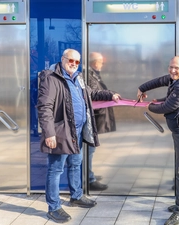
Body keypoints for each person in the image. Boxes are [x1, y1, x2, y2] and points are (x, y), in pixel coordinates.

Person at [37, 49, 121, 223]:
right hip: (61, 132)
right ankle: (54, 207)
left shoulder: (78, 78)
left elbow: (92, 94)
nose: (74, 64)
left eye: (77, 62)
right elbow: (44, 107)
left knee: (76, 164)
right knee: (56, 169)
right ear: (62, 59)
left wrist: (110, 94)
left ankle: (76, 196)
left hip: (77, 132)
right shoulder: (51, 77)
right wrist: (49, 133)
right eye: (71, 60)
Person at [137, 56, 179, 225]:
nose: (172, 70)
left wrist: (149, 106)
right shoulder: (177, 78)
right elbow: (160, 80)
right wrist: (142, 88)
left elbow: (167, 107)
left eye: (176, 68)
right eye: (171, 67)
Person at [86, 52, 119, 191]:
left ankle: (88, 174)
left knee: (90, 148)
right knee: (89, 148)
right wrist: (110, 95)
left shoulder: (92, 74)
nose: (102, 65)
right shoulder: (89, 75)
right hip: (91, 117)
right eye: (101, 62)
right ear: (95, 62)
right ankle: (88, 178)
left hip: (94, 116)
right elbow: (93, 94)